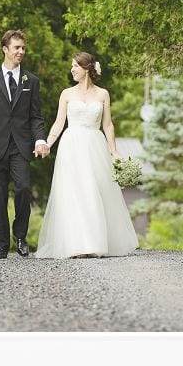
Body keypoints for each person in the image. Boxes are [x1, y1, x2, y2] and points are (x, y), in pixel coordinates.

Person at [35, 53, 139, 259]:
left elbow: (108, 125)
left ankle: (94, 242)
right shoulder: (66, 94)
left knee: (93, 192)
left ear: (86, 69)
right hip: (71, 145)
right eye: (72, 66)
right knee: (73, 193)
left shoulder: (103, 94)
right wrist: (48, 143)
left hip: (94, 145)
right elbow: (59, 122)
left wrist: (114, 151)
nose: (72, 69)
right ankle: (77, 245)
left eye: (75, 66)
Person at [0, 29, 49, 259]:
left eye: (23, 48)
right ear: (5, 49)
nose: (21, 52)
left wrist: (39, 138)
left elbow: (36, 116)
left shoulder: (31, 81)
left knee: (23, 188)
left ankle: (21, 236)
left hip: (21, 146)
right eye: (17, 47)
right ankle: (1, 244)